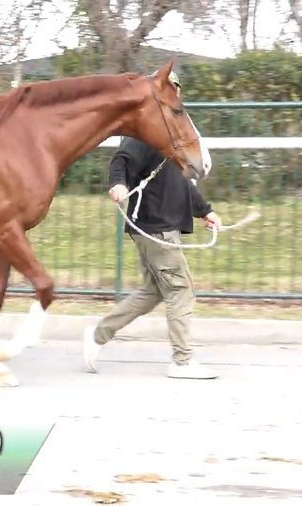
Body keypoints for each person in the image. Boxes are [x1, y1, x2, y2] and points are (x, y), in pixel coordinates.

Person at [82, 71, 221, 380]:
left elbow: (182, 183)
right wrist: (118, 184)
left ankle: (97, 336)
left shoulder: (171, 138)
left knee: (153, 292)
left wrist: (204, 212)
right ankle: (182, 361)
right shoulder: (143, 134)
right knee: (181, 290)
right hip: (155, 225)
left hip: (162, 224)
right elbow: (120, 161)